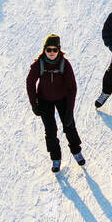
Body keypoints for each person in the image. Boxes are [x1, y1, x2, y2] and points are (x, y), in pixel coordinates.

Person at [27, 35, 84, 173]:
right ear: (44, 50)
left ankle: (76, 151)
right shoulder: (39, 64)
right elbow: (30, 83)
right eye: (49, 50)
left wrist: (70, 110)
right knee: (50, 130)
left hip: (62, 98)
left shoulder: (64, 64)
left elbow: (72, 88)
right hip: (44, 99)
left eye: (54, 50)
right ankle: (56, 158)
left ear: (59, 50)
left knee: (69, 125)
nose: (51, 53)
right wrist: (34, 103)